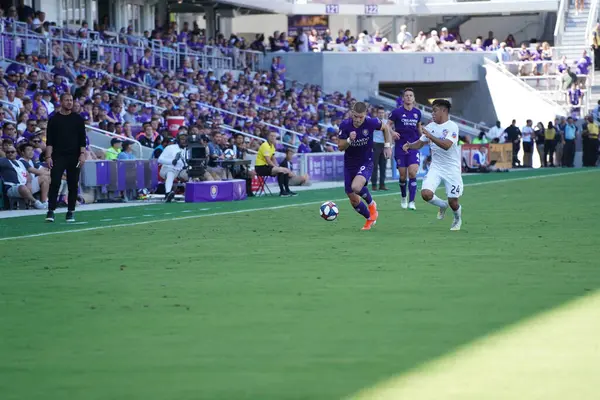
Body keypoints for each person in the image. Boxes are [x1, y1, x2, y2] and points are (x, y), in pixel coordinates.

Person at [402, 99, 463, 231]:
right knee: (426, 194)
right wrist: (410, 146)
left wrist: (430, 136)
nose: (432, 114)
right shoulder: (430, 127)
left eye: (435, 110)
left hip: (452, 169)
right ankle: (442, 205)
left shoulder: (452, 126)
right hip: (436, 167)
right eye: (432, 111)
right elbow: (420, 143)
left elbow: (447, 145)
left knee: (453, 202)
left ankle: (457, 219)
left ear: (444, 111)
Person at [337, 102, 393, 231]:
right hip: (350, 163)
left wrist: (387, 146)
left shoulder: (371, 122)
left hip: (366, 161)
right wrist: (349, 140)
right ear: (352, 113)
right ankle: (369, 218)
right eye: (355, 116)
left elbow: (385, 129)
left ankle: (372, 205)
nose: (357, 120)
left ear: (365, 115)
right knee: (354, 200)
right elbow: (340, 147)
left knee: (356, 187)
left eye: (360, 117)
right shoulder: (345, 125)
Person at [45, 93, 87, 223]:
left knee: (73, 184)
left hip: (74, 156)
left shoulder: (78, 119)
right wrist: (48, 156)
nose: (70, 102)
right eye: (67, 100)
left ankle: (70, 211)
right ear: (61, 102)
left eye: (71, 100)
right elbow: (49, 141)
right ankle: (51, 210)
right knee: (55, 182)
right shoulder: (54, 119)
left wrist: (82, 155)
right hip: (58, 156)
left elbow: (82, 140)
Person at [388, 88, 422, 210]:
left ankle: (412, 201)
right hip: (400, 148)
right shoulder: (397, 112)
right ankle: (403, 197)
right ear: (403, 98)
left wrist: (423, 138)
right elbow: (387, 125)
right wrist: (392, 132)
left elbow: (419, 127)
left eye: (410, 95)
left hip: (413, 146)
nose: (408, 97)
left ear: (413, 98)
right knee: (402, 176)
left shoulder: (417, 113)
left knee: (412, 173)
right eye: (406, 95)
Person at [254, 131, 295, 197]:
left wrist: (278, 166)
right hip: (260, 167)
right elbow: (268, 160)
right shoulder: (265, 145)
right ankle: (282, 192)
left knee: (284, 170)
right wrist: (278, 168)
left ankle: (286, 190)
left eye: (274, 136)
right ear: (268, 137)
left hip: (267, 166)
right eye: (271, 136)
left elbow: (273, 158)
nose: (273, 137)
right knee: (281, 170)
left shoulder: (272, 146)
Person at [157, 131, 191, 202]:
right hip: (167, 169)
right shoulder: (170, 147)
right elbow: (159, 160)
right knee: (170, 173)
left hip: (180, 170)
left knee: (192, 173)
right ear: (178, 140)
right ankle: (168, 193)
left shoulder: (188, 150)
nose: (184, 141)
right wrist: (172, 161)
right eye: (182, 139)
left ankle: (191, 193)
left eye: (185, 139)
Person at [371, 106, 389, 191]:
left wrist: (388, 146)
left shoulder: (387, 123)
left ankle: (382, 184)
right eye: (380, 112)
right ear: (377, 113)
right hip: (375, 144)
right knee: (374, 166)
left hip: (384, 145)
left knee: (383, 166)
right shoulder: (374, 122)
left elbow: (389, 135)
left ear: (384, 113)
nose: (381, 114)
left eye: (382, 112)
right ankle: (374, 185)